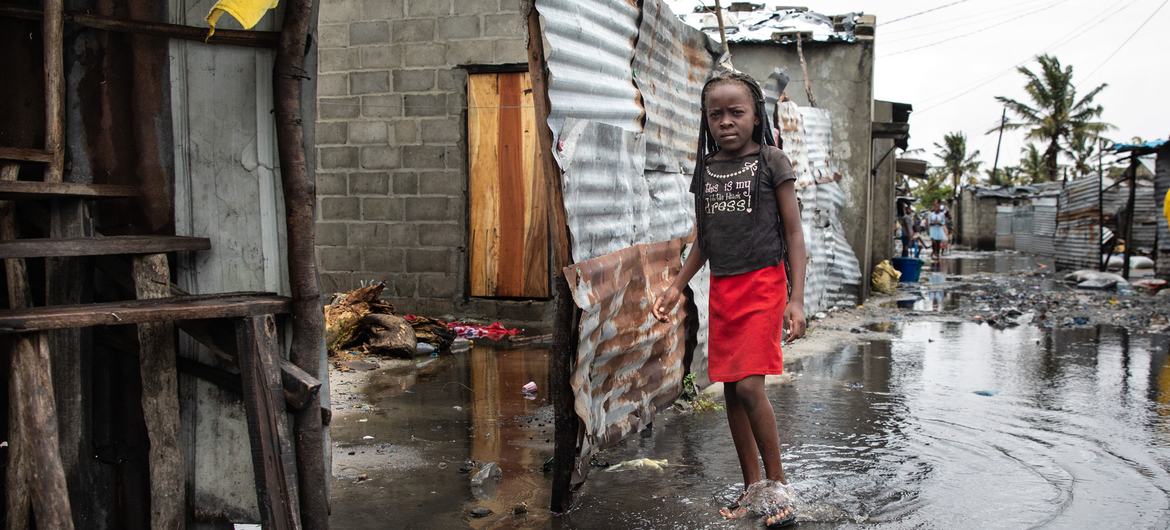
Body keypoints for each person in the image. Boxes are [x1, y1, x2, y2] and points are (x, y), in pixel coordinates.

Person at [652, 70, 807, 527]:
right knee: (731, 394)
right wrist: (676, 285)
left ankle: (778, 489)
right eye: (715, 114)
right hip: (723, 288)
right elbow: (705, 238)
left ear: (755, 114)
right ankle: (751, 489)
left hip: (763, 284)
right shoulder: (707, 168)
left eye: (736, 112)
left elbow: (794, 233)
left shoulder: (772, 161)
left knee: (749, 386)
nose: (725, 122)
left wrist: (796, 299)